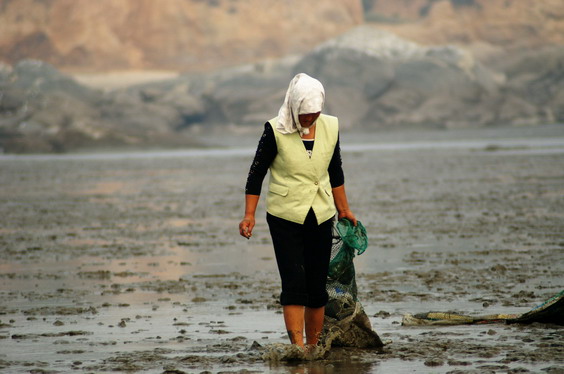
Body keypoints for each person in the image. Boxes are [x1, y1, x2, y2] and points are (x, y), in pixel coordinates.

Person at [238, 73, 357, 349]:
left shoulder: (330, 126)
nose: (309, 119)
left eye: (314, 114)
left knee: (316, 287)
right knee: (294, 284)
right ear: (293, 106)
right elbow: (256, 174)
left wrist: (344, 210)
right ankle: (297, 348)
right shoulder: (274, 130)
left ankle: (313, 348)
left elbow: (335, 169)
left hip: (321, 212)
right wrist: (249, 215)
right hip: (284, 216)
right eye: (304, 114)